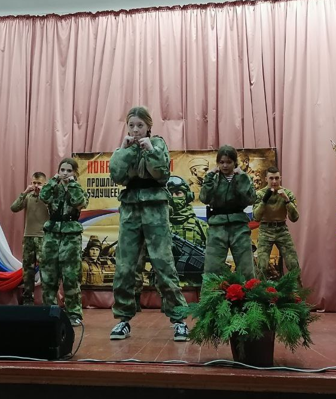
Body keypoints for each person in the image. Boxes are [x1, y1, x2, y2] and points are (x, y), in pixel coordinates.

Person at [107, 106, 189, 342]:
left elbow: (162, 174)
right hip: (131, 209)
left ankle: (179, 320)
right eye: (131, 125)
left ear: (148, 127)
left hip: (155, 208)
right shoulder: (124, 148)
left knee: (163, 263)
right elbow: (117, 176)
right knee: (125, 265)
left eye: (140, 125)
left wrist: (150, 149)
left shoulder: (158, 144)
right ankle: (123, 319)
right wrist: (124, 151)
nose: (135, 130)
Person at [39, 158, 88, 325]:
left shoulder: (78, 189)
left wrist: (72, 185)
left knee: (71, 275)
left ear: (74, 173)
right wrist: (53, 181)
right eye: (62, 170)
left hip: (71, 235)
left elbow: (79, 202)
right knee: (48, 274)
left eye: (69, 170)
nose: (65, 173)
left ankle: (74, 313)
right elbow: (43, 197)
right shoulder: (53, 187)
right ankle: (49, 311)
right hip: (52, 234)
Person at [199, 145, 256, 278]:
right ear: (217, 163)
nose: (225, 165)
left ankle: (249, 292)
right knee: (212, 269)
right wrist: (209, 178)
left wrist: (242, 178)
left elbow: (251, 199)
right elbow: (204, 198)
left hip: (239, 225)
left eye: (229, 162)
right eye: (222, 162)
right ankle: (211, 292)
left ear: (235, 162)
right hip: (217, 226)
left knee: (246, 268)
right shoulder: (213, 178)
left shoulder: (242, 178)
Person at [253, 166, 301, 284]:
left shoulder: (287, 193)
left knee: (293, 264)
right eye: (271, 178)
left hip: (281, 229)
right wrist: (265, 200)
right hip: (265, 229)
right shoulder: (259, 194)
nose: (274, 181)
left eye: (276, 178)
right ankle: (260, 293)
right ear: (266, 179)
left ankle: (297, 293)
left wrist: (286, 200)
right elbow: (256, 217)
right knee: (262, 266)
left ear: (280, 178)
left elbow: (295, 218)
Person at [10, 171, 50, 305]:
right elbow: (14, 208)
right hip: (28, 237)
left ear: (45, 184)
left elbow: (55, 210)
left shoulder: (49, 198)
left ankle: (48, 301)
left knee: (45, 270)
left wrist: (45, 194)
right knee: (27, 270)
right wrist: (25, 192)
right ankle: (28, 299)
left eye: (39, 183)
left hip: (43, 238)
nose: (36, 186)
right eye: (34, 183)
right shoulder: (28, 196)